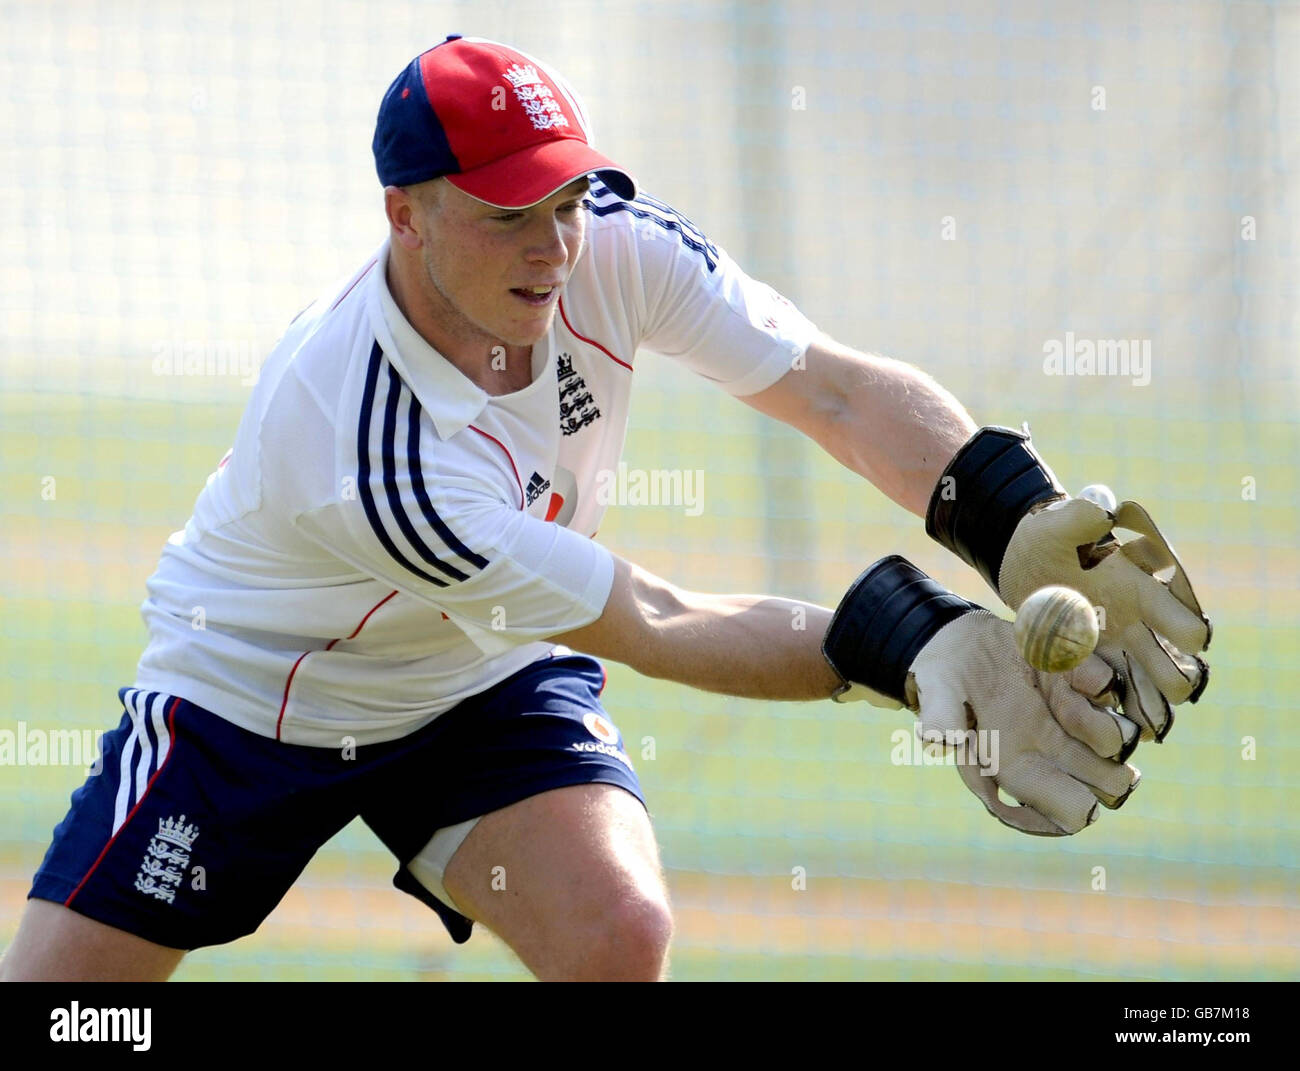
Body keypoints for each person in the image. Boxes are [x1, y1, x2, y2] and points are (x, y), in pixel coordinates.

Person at [1, 35, 1210, 983]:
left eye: (566, 199)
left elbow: (834, 391)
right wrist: (905, 640)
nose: (555, 247)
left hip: (479, 678)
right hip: (255, 703)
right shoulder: (366, 446)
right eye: (507, 214)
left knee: (620, 938)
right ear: (405, 215)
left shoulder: (614, 249)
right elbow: (651, 615)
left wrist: (1005, 514)